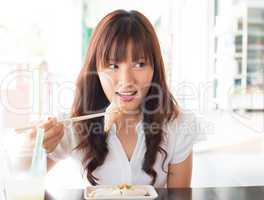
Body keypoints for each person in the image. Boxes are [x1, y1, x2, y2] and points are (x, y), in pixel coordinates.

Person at [35, 9, 203, 188]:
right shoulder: (72, 124)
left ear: (155, 69)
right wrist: (33, 147)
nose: (126, 81)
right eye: (113, 65)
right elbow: (21, 181)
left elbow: (179, 197)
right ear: (96, 71)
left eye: (139, 64)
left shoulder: (178, 125)